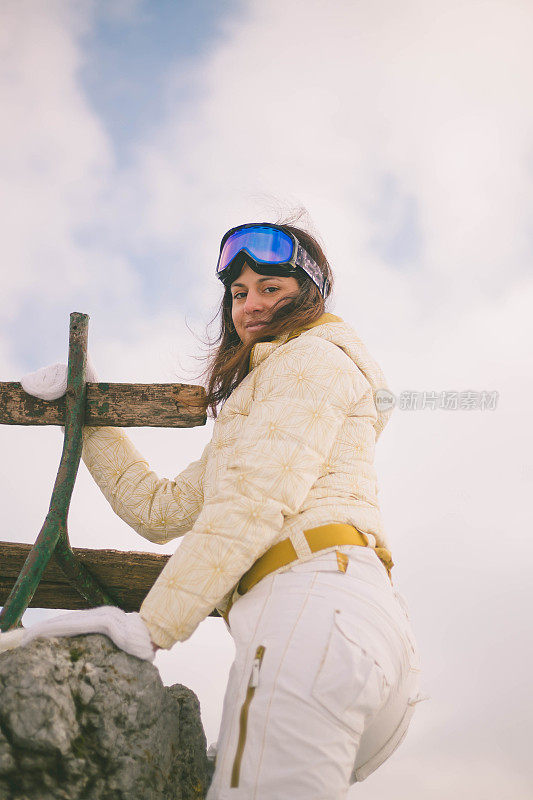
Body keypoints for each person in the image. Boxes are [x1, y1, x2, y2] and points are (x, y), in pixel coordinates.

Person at [10, 221, 423, 798]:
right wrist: (89, 406)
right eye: (238, 293)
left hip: (312, 617)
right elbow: (158, 509)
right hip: (339, 631)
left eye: (271, 287)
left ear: (310, 295)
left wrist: (153, 626)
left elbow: (253, 501)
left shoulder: (311, 363)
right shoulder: (267, 401)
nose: (250, 304)